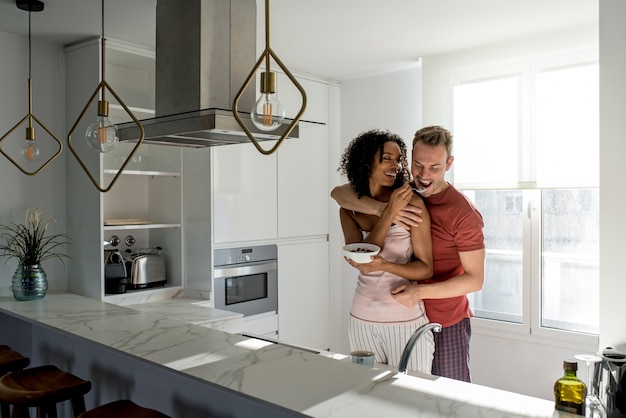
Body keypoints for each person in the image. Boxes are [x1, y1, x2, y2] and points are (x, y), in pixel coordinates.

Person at [331, 125, 485, 382]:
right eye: (417, 165)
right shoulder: (405, 193)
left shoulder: (463, 213)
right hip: (394, 314)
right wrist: (384, 210)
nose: (424, 175)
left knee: (445, 401)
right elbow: (340, 194)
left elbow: (475, 279)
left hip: (444, 320)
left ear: (449, 164)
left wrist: (419, 291)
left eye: (434, 167)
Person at [337, 129, 435, 374]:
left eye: (399, 159)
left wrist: (386, 266)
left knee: (412, 400)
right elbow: (362, 257)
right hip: (362, 319)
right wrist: (389, 211)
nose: (398, 165)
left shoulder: (412, 203)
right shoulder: (348, 209)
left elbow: (425, 268)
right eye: (387, 158)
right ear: (367, 161)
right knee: (366, 396)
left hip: (404, 318)